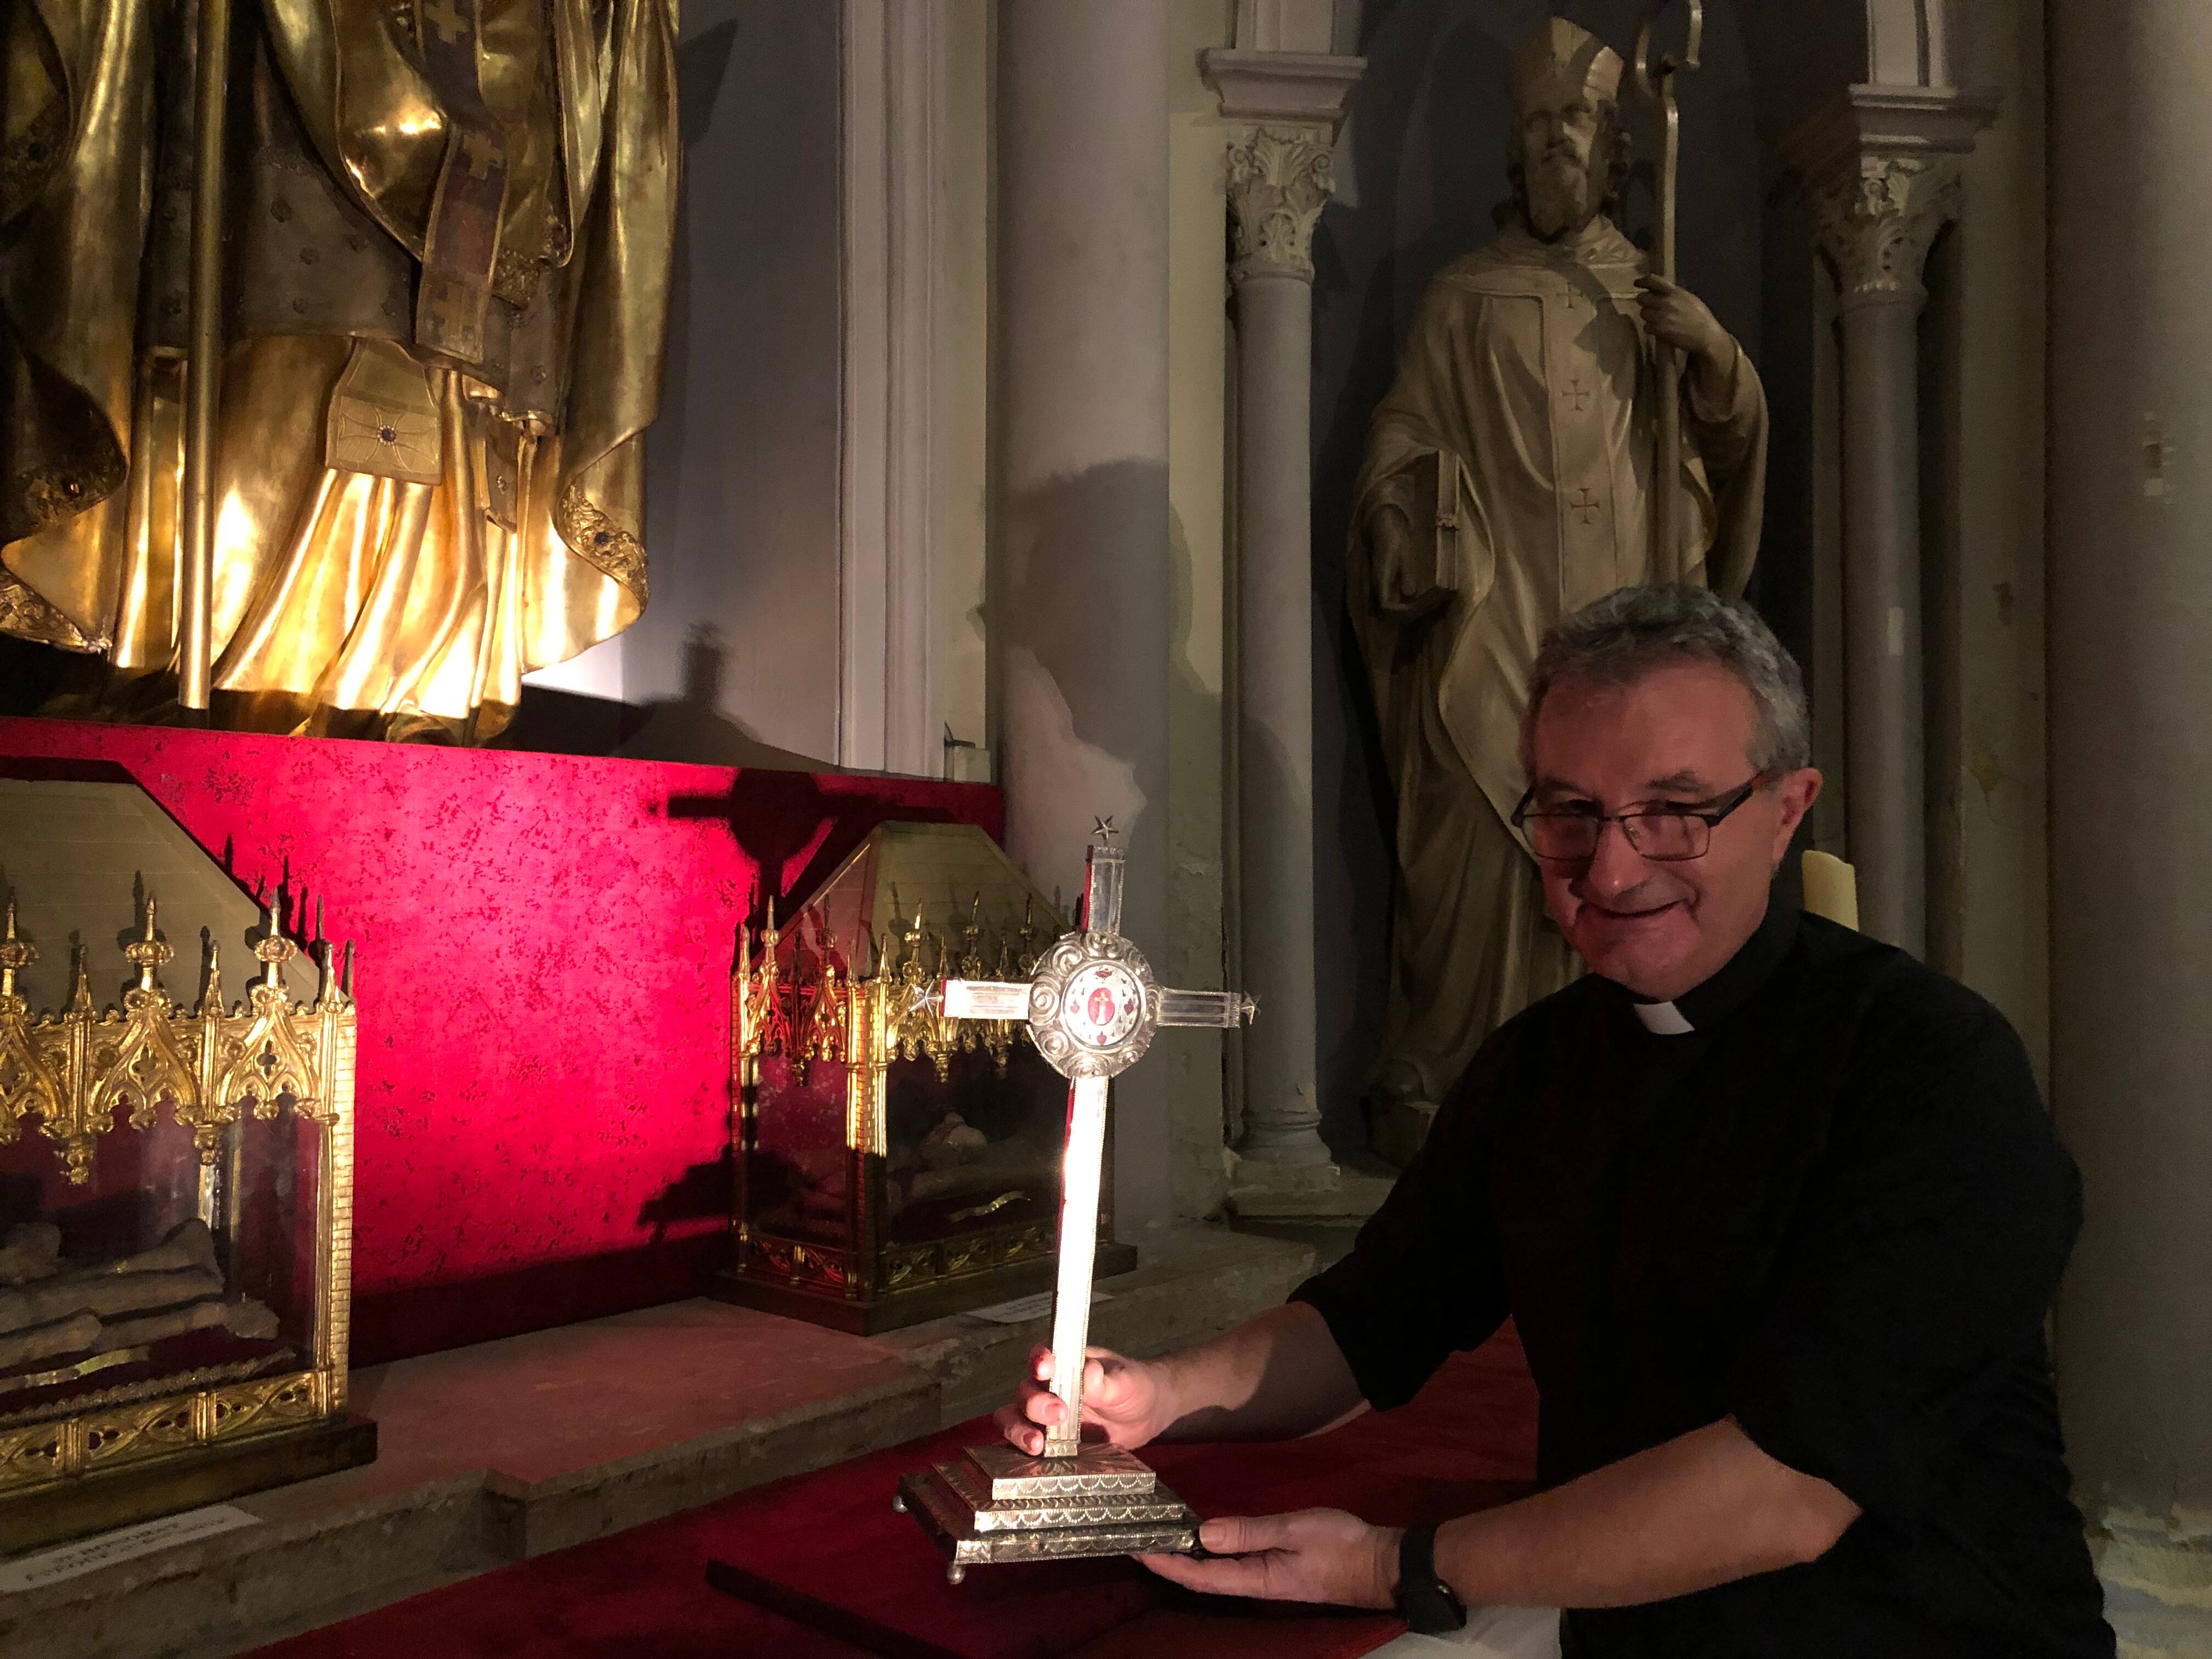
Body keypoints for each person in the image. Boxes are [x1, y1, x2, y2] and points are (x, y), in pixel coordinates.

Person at [1000, 585, 2113, 1656]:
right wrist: (1161, 1396)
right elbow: (1370, 1324)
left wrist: (1390, 1564)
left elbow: (1789, 1490)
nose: (1613, 868)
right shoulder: (1534, 1067)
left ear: (1786, 811)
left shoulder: (1930, 1068)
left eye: (1675, 813)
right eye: (1570, 813)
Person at [1348, 17, 1768, 1163]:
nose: (1553, 148)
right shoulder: (1460, 300)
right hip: (1490, 628)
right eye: (1536, 130)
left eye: (1573, 125)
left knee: (1619, 846)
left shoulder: (1650, 306)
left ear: (1614, 154)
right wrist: (1407, 518)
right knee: (1477, 862)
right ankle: (1448, 1094)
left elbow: (1720, 472)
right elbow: (1400, 440)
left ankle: (1610, 1089)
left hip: (1617, 639)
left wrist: (1716, 359)